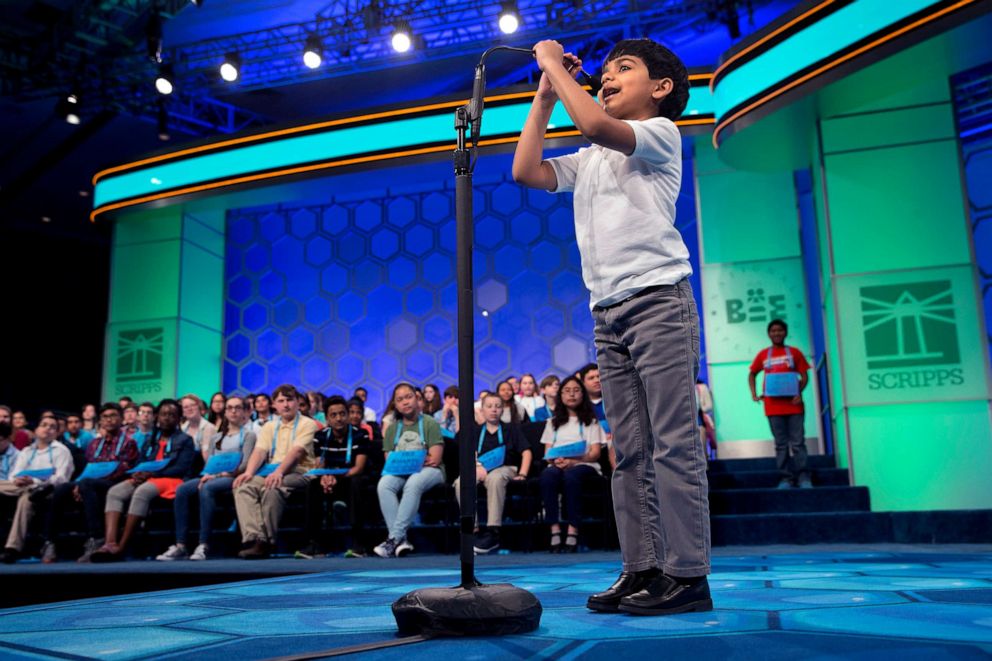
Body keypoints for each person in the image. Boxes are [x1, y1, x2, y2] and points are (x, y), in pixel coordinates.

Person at [513, 37, 711, 614]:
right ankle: (642, 567)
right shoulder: (594, 156)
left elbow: (597, 124)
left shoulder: (659, 133)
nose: (607, 75)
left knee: (673, 443)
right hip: (608, 311)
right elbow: (527, 170)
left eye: (624, 68)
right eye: (604, 71)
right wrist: (547, 96)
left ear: (662, 88)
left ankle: (688, 574)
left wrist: (551, 60)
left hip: (657, 300)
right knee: (629, 452)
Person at [90, 400, 196, 561]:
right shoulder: (150, 439)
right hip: (148, 477)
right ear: (157, 417)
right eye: (163, 414)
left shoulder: (185, 439)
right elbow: (140, 461)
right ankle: (110, 543)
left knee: (142, 491)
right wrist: (139, 472)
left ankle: (122, 547)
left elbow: (181, 468)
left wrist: (152, 474)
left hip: (171, 479)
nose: (166, 418)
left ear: (178, 418)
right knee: (115, 492)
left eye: (171, 415)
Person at [157, 395, 256, 561]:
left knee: (207, 487)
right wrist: (209, 474)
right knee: (183, 489)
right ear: (224, 412)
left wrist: (218, 475)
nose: (233, 411)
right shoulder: (216, 437)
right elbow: (209, 463)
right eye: (229, 408)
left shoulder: (249, 435)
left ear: (244, 412)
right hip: (213, 475)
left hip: (233, 477)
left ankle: (204, 544)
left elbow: (245, 465)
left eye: (237, 408)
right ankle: (180, 544)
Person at [42, 403, 140, 563]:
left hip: (114, 484)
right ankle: (49, 542)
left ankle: (97, 538)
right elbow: (89, 468)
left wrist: (85, 483)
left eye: (113, 415)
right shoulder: (94, 444)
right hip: (89, 483)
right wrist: (78, 485)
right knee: (62, 489)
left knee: (87, 484)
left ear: (121, 418)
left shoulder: (129, 443)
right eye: (105, 417)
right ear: (100, 421)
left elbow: (122, 470)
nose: (109, 420)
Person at [233, 384, 318, 559]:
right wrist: (249, 472)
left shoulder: (308, 423)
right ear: (275, 405)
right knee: (243, 486)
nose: (286, 405)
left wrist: (279, 472)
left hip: (301, 472)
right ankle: (255, 538)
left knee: (272, 488)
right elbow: (260, 451)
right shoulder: (269, 426)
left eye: (290, 400)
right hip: (271, 471)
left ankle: (267, 542)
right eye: (281, 401)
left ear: (297, 402)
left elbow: (297, 451)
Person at [454, 393, 532, 554]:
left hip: (505, 468)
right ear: (482, 410)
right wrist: (475, 467)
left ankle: (493, 532)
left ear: (502, 410)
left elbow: (526, 452)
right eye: (489, 406)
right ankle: (471, 531)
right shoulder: (475, 431)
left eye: (497, 406)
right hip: (480, 468)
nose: (493, 410)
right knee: (462, 481)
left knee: (495, 478)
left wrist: (523, 474)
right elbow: (468, 455)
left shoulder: (511, 429)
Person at [374, 383, 444, 558]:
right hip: (405, 470)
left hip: (432, 471)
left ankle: (393, 538)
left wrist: (411, 462)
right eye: (400, 399)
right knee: (384, 484)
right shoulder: (392, 428)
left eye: (408, 397)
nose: (405, 402)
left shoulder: (429, 423)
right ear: (395, 405)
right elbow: (389, 462)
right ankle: (401, 540)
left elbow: (435, 458)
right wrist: (417, 459)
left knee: (414, 483)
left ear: (417, 398)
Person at [538, 376, 604, 554]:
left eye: (576, 390)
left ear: (582, 394)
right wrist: (556, 461)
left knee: (572, 476)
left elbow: (595, 453)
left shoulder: (591, 422)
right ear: (560, 395)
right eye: (567, 391)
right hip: (558, 463)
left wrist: (574, 461)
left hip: (584, 465)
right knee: (548, 476)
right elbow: (547, 453)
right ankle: (554, 529)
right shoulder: (552, 423)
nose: (572, 394)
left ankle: (573, 529)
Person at [299, 396, 371, 558]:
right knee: (312, 486)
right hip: (331, 479)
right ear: (327, 418)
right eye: (334, 415)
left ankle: (358, 542)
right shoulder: (321, 436)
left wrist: (335, 477)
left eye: (342, 414)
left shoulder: (361, 434)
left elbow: (358, 467)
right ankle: (313, 543)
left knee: (356, 483)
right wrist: (325, 477)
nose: (339, 418)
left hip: (351, 479)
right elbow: (320, 464)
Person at [0, 417, 74, 563]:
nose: (47, 428)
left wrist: (34, 481)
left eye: (52, 427)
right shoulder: (26, 451)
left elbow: (61, 478)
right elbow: (14, 474)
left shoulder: (61, 451)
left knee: (26, 499)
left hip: (49, 490)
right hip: (25, 488)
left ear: (57, 432)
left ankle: (12, 548)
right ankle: (12, 549)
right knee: (26, 495)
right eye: (44, 425)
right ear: (35, 430)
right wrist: (18, 480)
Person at [748, 319, 812, 489]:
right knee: (781, 444)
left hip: (794, 405)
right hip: (773, 407)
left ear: (785, 332)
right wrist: (754, 394)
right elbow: (752, 374)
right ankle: (786, 478)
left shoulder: (795, 353)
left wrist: (800, 392)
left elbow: (805, 376)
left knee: (798, 443)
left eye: (780, 330)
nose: (777, 333)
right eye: (773, 330)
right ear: (769, 334)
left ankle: (803, 477)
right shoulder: (763, 354)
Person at [181, 394, 217, 463]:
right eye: (186, 407)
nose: (190, 409)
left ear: (199, 407)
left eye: (192, 405)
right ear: (183, 412)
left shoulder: (209, 428)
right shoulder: (182, 428)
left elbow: (207, 458)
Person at [696, 378, 718, 460]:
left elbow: (709, 405)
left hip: (700, 422)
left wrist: (700, 408)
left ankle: (706, 468)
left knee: (702, 446)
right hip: (685, 424)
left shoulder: (701, 387)